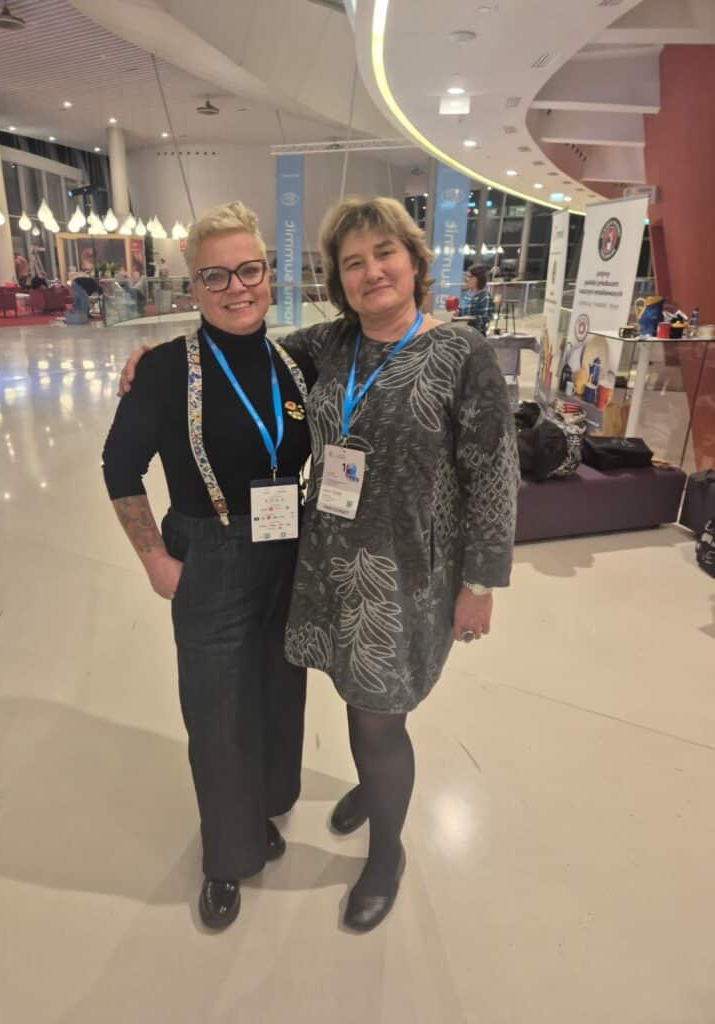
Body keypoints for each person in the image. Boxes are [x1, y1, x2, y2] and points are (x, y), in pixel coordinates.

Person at [120, 196, 518, 933]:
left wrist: (481, 583)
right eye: (353, 263)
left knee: (377, 714)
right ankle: (369, 787)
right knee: (345, 697)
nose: (372, 273)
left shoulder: (462, 354)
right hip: (322, 560)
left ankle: (387, 853)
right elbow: (238, 343)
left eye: (385, 254)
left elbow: (493, 478)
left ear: (414, 260)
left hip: (406, 573)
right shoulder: (329, 345)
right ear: (337, 280)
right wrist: (156, 359)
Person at [103, 201, 313, 930]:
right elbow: (119, 466)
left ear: (269, 274)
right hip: (211, 552)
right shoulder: (165, 368)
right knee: (218, 711)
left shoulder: (297, 361)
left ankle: (264, 808)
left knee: (279, 691)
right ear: (193, 286)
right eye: (215, 276)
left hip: (289, 550)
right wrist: (154, 559)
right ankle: (227, 856)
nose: (236, 287)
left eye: (249, 270)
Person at [459, 262, 495, 335]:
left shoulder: (485, 297)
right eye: (467, 276)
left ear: (479, 278)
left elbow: (485, 319)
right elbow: (460, 311)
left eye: (470, 277)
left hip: (476, 335)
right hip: (462, 333)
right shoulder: (465, 295)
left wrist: (469, 319)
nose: (467, 279)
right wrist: (457, 314)